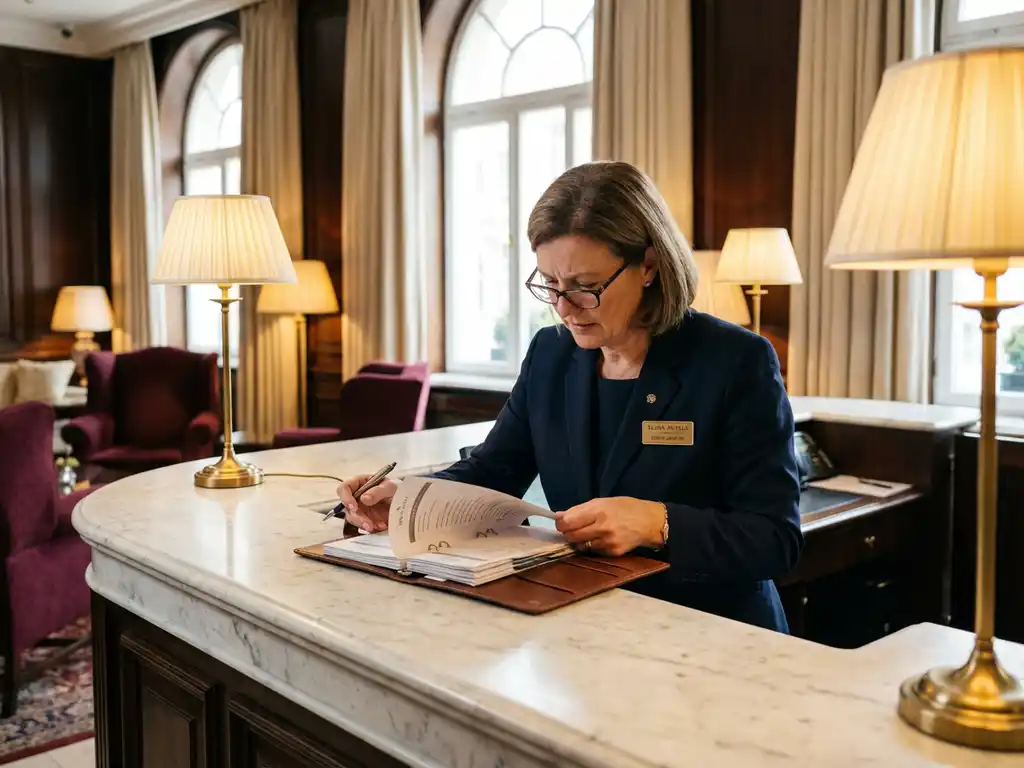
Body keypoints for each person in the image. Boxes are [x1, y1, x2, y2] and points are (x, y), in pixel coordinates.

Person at [337, 161, 803, 633]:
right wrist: (408, 499)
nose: (563, 308)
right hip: (584, 620)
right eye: (550, 285)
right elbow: (493, 471)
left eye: (585, 286)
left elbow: (775, 540)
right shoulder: (551, 354)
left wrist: (658, 523)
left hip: (711, 631)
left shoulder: (735, 360)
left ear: (649, 265)